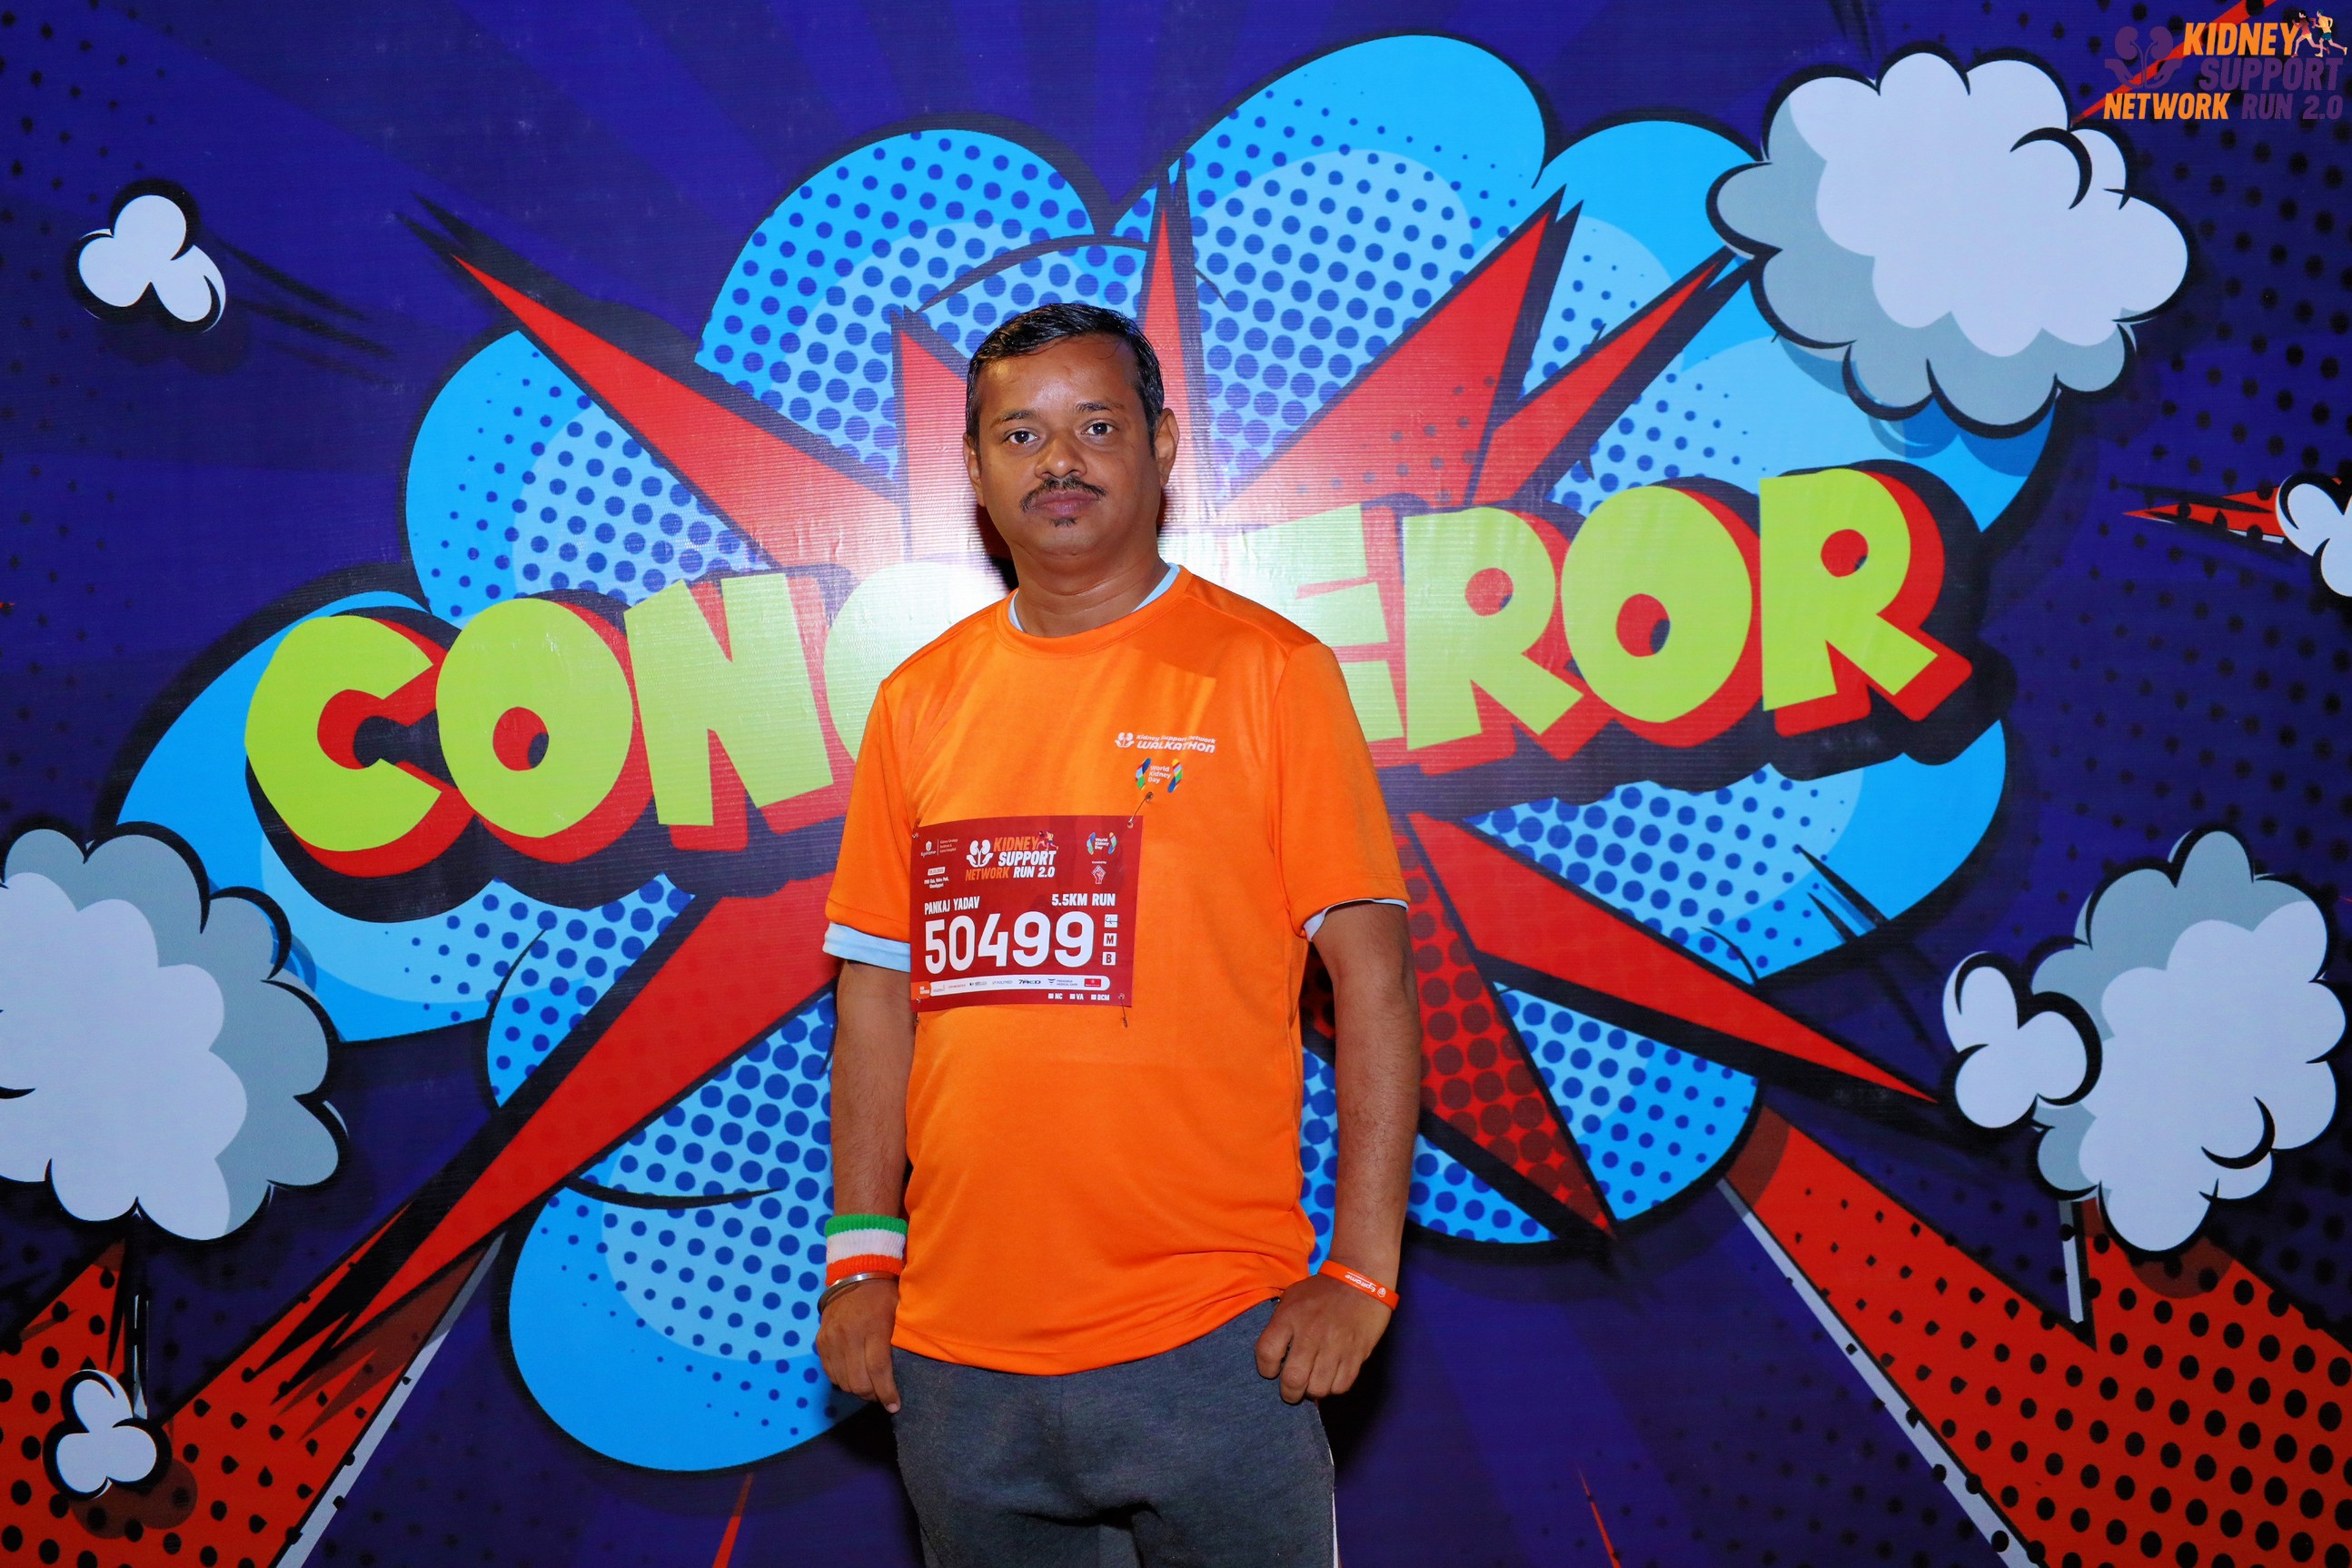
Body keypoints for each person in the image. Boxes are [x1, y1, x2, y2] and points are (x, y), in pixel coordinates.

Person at [815, 300, 1422, 1567]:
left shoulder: (1269, 671)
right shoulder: (917, 700)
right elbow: (872, 995)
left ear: (1162, 445)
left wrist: (1364, 1271)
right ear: (974, 470)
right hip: (956, 1363)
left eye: (1096, 426)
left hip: (1217, 1343)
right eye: (1020, 435)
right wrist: (862, 1263)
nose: (1060, 461)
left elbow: (1371, 977)